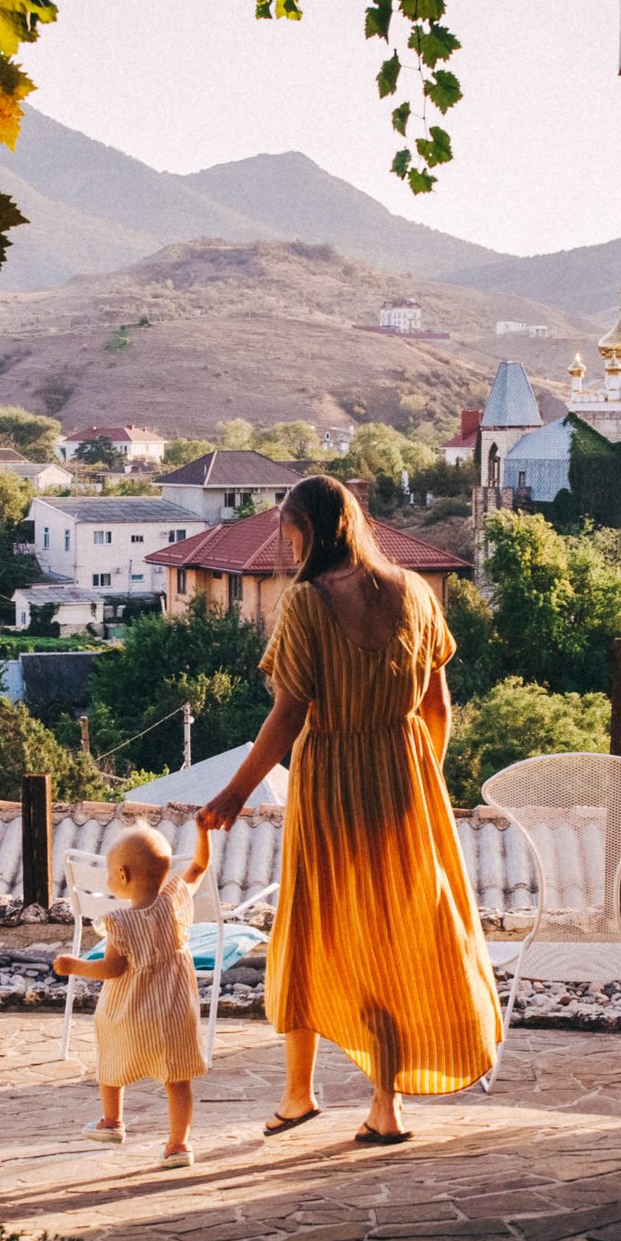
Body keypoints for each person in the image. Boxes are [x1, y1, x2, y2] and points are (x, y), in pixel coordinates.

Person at [198, 474, 501, 1146]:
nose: (286, 539)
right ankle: (384, 1105)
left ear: (309, 530)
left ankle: (299, 1093)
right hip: (403, 778)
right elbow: (438, 708)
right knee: (393, 936)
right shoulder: (416, 592)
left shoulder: (306, 604)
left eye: (289, 528)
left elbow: (289, 712)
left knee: (308, 928)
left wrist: (235, 791)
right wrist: (418, 775)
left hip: (331, 782)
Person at [53, 822, 210, 1168]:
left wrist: (73, 965)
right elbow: (199, 865)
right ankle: (179, 1145)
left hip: (130, 1012)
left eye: (110, 872)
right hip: (174, 1012)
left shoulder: (119, 922)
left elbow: (111, 969)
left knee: (111, 1058)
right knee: (177, 1079)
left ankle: (112, 1122)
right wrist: (203, 833)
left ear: (122, 875)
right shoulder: (175, 902)